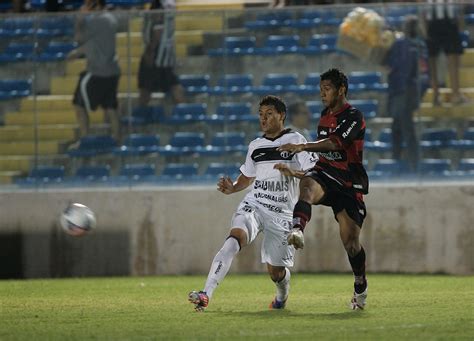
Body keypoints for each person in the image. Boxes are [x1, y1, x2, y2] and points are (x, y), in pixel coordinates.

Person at [188, 95, 317, 312]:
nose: (263, 119)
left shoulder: (296, 140)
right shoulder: (255, 146)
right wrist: (233, 188)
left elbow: (313, 173)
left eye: (269, 114)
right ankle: (205, 294)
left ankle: (281, 295)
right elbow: (247, 178)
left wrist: (291, 172)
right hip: (256, 204)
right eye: (261, 115)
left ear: (282, 116)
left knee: (276, 272)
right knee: (235, 237)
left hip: (283, 213)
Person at [278, 68, 369, 310]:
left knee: (351, 243)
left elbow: (335, 143)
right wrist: (300, 169)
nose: (322, 94)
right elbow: (325, 152)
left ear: (341, 90)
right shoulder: (325, 115)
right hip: (326, 175)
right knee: (307, 184)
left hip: (349, 183)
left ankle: (360, 284)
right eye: (320, 90)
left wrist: (303, 146)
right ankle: (297, 228)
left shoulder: (354, 116)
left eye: (326, 89)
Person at [68, 0, 121, 142]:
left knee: (78, 104)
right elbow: (94, 43)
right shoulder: (110, 18)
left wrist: (80, 18)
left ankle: (84, 139)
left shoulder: (98, 21)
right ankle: (117, 139)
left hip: (97, 72)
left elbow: (79, 38)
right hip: (112, 71)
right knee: (110, 106)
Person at [384, 16, 427, 171]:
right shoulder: (417, 45)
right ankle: (401, 160)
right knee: (398, 126)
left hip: (403, 91)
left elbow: (393, 66)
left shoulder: (403, 44)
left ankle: (412, 164)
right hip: (406, 91)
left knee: (404, 127)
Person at [138, 0, 184, 108]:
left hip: (156, 59)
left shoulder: (159, 11)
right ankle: (142, 115)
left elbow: (157, 33)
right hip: (165, 58)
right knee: (172, 85)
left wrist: (150, 52)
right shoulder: (168, 9)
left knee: (146, 89)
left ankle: (182, 110)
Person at [422, 0, 467, 105]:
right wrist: (424, 27)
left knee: (453, 59)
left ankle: (455, 94)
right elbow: (422, 8)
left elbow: (459, 7)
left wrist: (460, 21)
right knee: (433, 61)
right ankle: (436, 96)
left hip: (449, 22)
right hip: (433, 22)